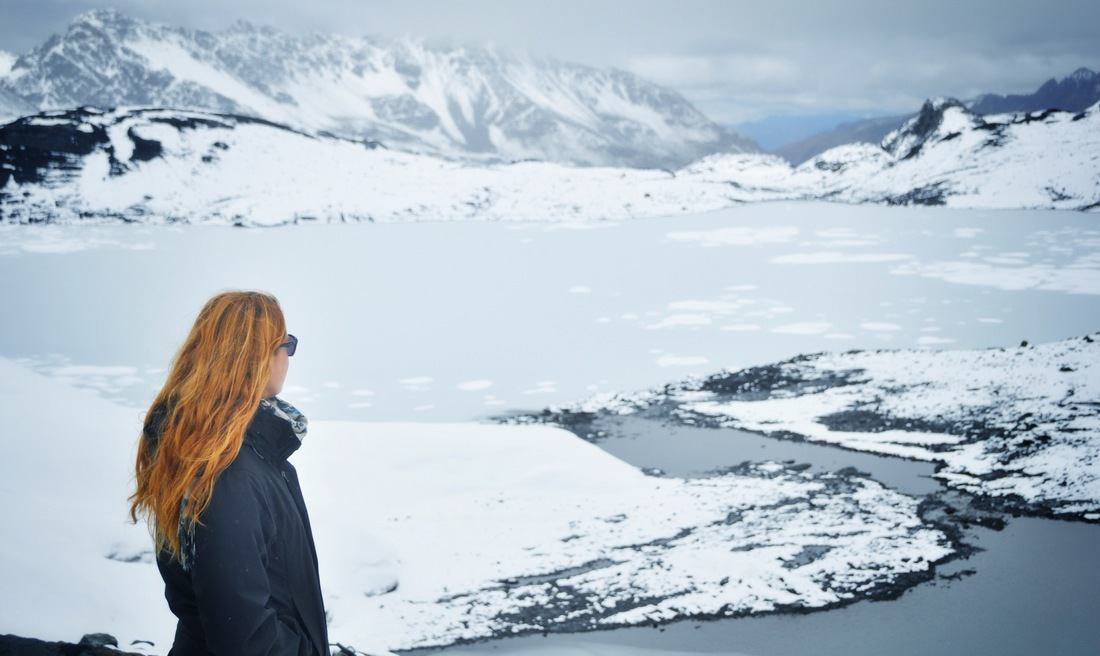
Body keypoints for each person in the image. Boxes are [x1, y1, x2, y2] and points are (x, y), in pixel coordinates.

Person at [128, 290, 329, 656]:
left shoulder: (225, 454)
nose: (289, 356)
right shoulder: (229, 475)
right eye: (286, 344)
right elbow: (243, 638)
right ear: (256, 357)